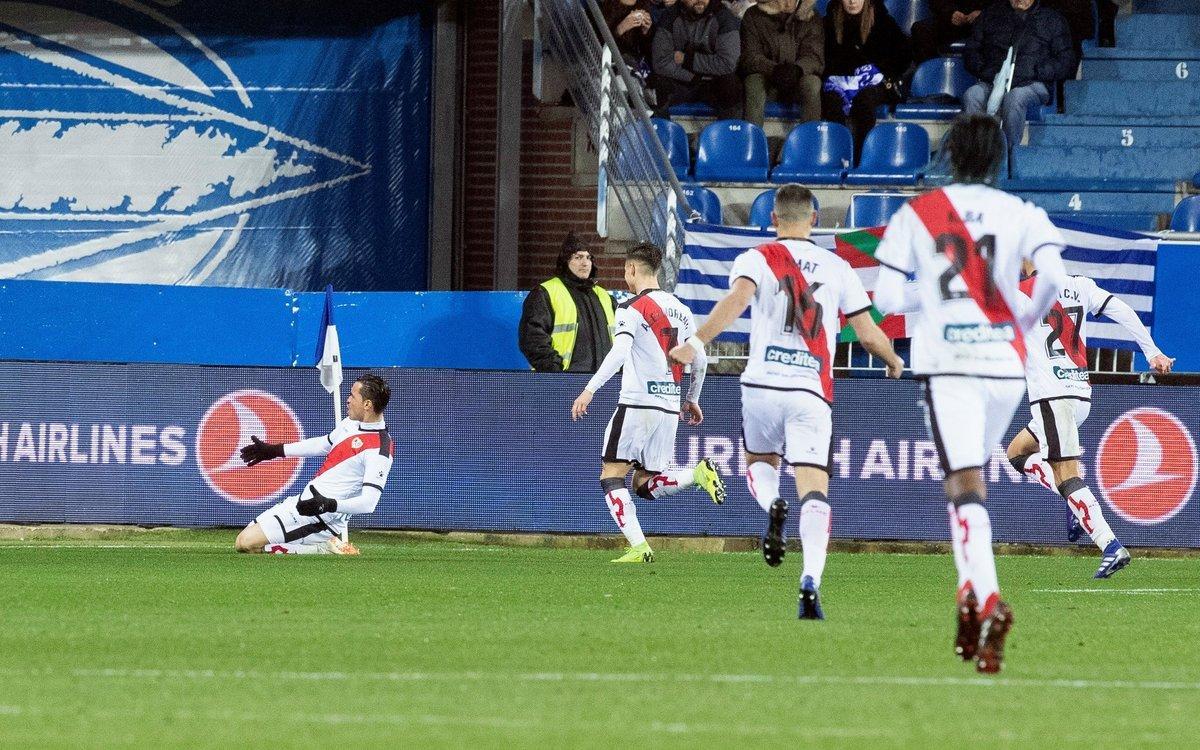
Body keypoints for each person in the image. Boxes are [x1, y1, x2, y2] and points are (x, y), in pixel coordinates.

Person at [873, 114, 1068, 673]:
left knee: (963, 482)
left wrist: (935, 304)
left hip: (950, 364)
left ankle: (986, 598)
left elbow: (886, 298)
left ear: (952, 153)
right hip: (1007, 364)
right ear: (999, 158)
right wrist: (1022, 320)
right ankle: (967, 598)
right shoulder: (1022, 213)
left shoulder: (919, 213)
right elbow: (1053, 277)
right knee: (971, 480)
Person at [669, 184, 904, 619]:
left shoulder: (756, 258)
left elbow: (737, 301)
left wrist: (695, 343)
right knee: (815, 489)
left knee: (760, 460)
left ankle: (771, 504)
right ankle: (810, 579)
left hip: (761, 385)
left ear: (773, 219)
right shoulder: (838, 267)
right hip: (811, 391)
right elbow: (869, 333)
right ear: (815, 219)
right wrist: (892, 360)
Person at [1006, 262, 1174, 579]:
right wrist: (1151, 352)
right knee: (1017, 452)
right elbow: (1121, 309)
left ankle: (1109, 545)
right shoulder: (1080, 284)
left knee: (1067, 476)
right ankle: (1074, 501)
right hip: (1080, 394)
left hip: (1052, 398)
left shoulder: (1019, 293)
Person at [571, 243, 727, 563]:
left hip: (638, 403)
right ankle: (696, 475)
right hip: (669, 407)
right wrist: (691, 400)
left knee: (611, 474)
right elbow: (700, 360)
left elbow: (619, 352)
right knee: (644, 484)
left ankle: (639, 547)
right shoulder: (682, 310)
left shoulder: (630, 306)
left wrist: (590, 389)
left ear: (631, 270)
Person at [233, 374, 394, 556]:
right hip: (305, 502)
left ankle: (323, 548)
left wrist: (328, 505)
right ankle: (323, 545)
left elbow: (368, 503)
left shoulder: (380, 450)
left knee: (246, 544)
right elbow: (323, 444)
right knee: (243, 539)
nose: (348, 400)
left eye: (352, 396)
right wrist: (274, 451)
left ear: (367, 405)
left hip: (322, 518)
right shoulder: (350, 424)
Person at [962, 0, 1074, 150]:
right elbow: (971, 51)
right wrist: (986, 71)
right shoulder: (990, 15)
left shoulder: (1052, 19)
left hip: (1033, 84)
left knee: (1015, 97)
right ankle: (976, 154)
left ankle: (1009, 154)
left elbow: (1066, 61)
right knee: (972, 94)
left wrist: (1036, 71)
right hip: (993, 81)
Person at [821, 0, 912, 161]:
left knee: (866, 97)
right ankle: (838, 157)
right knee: (831, 99)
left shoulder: (883, 21)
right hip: (840, 81)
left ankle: (861, 157)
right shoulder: (828, 24)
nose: (852, 1)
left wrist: (878, 71)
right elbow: (824, 61)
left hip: (875, 84)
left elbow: (903, 55)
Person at [519, 233, 616, 373]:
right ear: (566, 261)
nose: (585, 263)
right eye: (578, 257)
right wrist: (553, 371)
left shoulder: (604, 296)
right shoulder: (545, 293)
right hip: (564, 382)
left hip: (603, 382)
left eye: (588, 257)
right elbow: (532, 339)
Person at [651, 0, 743, 120]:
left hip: (714, 82)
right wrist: (693, 77)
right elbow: (661, 62)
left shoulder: (724, 17)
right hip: (682, 81)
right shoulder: (670, 15)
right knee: (656, 85)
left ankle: (727, 136)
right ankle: (663, 136)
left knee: (732, 85)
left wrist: (686, 59)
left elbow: (728, 63)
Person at [739, 0, 825, 127]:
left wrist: (797, 69)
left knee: (812, 84)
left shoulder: (812, 17)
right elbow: (750, 56)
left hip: (798, 77)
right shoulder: (753, 15)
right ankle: (752, 140)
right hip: (766, 77)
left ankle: (810, 141)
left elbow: (814, 56)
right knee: (753, 83)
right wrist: (774, 69)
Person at [910, 0, 992, 64]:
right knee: (921, 29)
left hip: (986, 21)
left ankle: (990, 77)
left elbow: (1001, 5)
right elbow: (937, 3)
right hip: (952, 20)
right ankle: (930, 75)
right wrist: (951, 13)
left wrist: (983, 13)